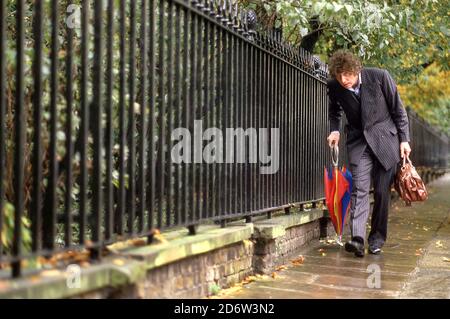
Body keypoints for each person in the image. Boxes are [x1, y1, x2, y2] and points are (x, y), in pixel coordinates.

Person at [326, 50, 411, 257]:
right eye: (340, 75)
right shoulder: (335, 86)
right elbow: (334, 110)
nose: (344, 80)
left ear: (357, 70)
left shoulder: (380, 77)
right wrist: (335, 129)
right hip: (359, 143)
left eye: (348, 74)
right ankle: (357, 238)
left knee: (382, 193)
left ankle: (376, 239)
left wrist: (404, 140)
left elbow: (398, 110)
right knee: (360, 189)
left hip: (386, 141)